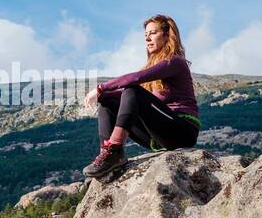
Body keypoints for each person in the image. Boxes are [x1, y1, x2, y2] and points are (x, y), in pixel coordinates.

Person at [81, 14, 201, 179]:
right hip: (158, 137)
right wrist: (104, 95)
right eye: (145, 35)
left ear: (167, 35)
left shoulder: (175, 62)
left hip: (182, 131)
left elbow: (135, 79)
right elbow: (127, 95)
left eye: (152, 33)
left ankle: (114, 148)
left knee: (132, 90)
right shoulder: (156, 67)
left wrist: (101, 87)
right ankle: (108, 157)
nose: (147, 39)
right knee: (107, 100)